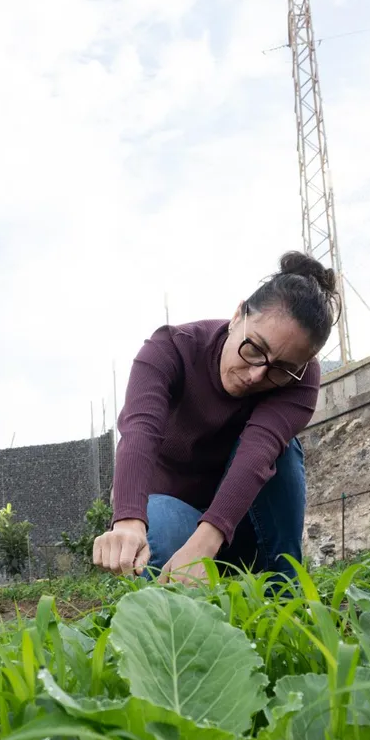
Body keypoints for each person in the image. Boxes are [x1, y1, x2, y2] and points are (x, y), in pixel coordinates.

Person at [92, 251, 340, 585]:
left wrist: (205, 544)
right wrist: (128, 520)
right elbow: (140, 430)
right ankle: (182, 599)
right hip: (175, 522)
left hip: (244, 530)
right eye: (254, 348)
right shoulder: (171, 350)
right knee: (155, 527)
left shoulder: (301, 380)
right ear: (238, 316)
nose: (256, 375)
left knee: (284, 451)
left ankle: (283, 591)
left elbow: (258, 451)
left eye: (281, 369)